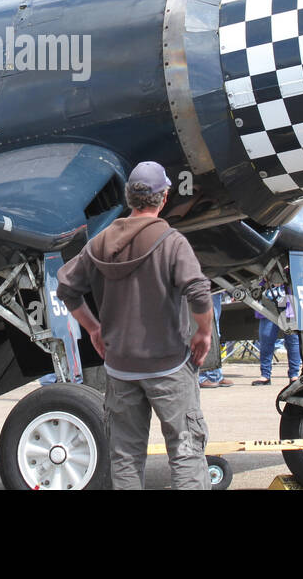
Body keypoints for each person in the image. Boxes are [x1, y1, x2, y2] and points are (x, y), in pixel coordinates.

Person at [56, 161, 213, 490]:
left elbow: (67, 288)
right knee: (185, 452)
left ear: (130, 198)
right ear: (164, 197)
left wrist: (94, 328)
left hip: (121, 370)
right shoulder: (171, 242)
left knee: (125, 456)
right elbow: (198, 291)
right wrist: (203, 332)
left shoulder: (98, 244)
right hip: (168, 365)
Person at [197, 289, 233, 387]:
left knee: (215, 334)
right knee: (206, 332)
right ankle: (201, 376)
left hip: (215, 292)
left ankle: (215, 375)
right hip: (204, 291)